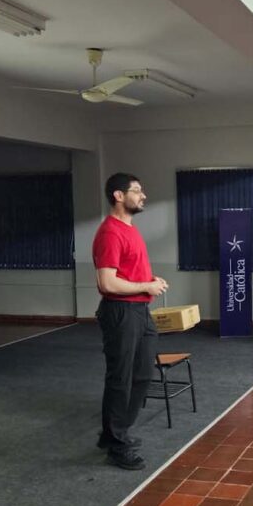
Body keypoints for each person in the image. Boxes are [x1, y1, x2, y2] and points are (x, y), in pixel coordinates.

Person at [92, 173, 168, 470]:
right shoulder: (110, 233)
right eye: (137, 191)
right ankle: (117, 444)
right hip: (121, 313)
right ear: (118, 196)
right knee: (121, 378)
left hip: (139, 311)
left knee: (142, 375)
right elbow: (108, 282)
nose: (143, 196)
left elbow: (128, 274)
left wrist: (149, 281)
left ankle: (115, 433)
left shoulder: (130, 229)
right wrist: (145, 287)